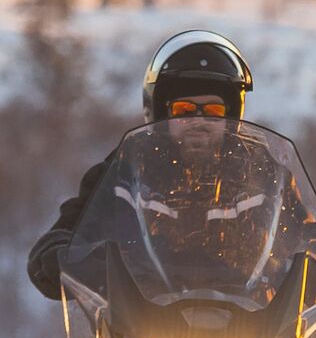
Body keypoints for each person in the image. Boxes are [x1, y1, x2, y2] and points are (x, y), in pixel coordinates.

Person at [24, 30, 255, 298]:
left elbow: (303, 237)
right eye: (184, 110)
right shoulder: (123, 174)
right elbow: (70, 231)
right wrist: (61, 258)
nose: (199, 121)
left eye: (214, 111)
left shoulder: (260, 176)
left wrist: (313, 257)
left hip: (249, 326)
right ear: (160, 111)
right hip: (138, 326)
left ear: (232, 116)